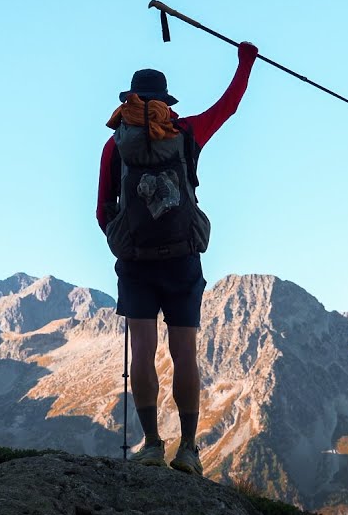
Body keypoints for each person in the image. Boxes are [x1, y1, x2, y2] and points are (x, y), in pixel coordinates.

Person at [97, 41, 258, 475]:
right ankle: (188, 449)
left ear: (130, 101)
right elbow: (228, 107)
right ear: (166, 103)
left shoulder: (115, 146)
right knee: (184, 352)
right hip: (182, 258)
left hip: (136, 263)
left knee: (143, 354)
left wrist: (126, 243)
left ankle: (151, 444)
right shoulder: (185, 133)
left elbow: (101, 210)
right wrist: (245, 62)